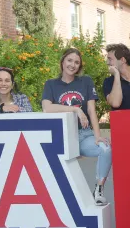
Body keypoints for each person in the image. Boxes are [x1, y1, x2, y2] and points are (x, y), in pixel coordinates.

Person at [41, 48, 112, 205]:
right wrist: (75, 109)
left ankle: (99, 189)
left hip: (83, 135)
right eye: (69, 60)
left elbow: (92, 110)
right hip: (61, 137)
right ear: (62, 61)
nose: (72, 65)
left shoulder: (85, 81)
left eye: (76, 62)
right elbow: (47, 108)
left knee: (105, 149)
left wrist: (97, 135)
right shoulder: (51, 84)